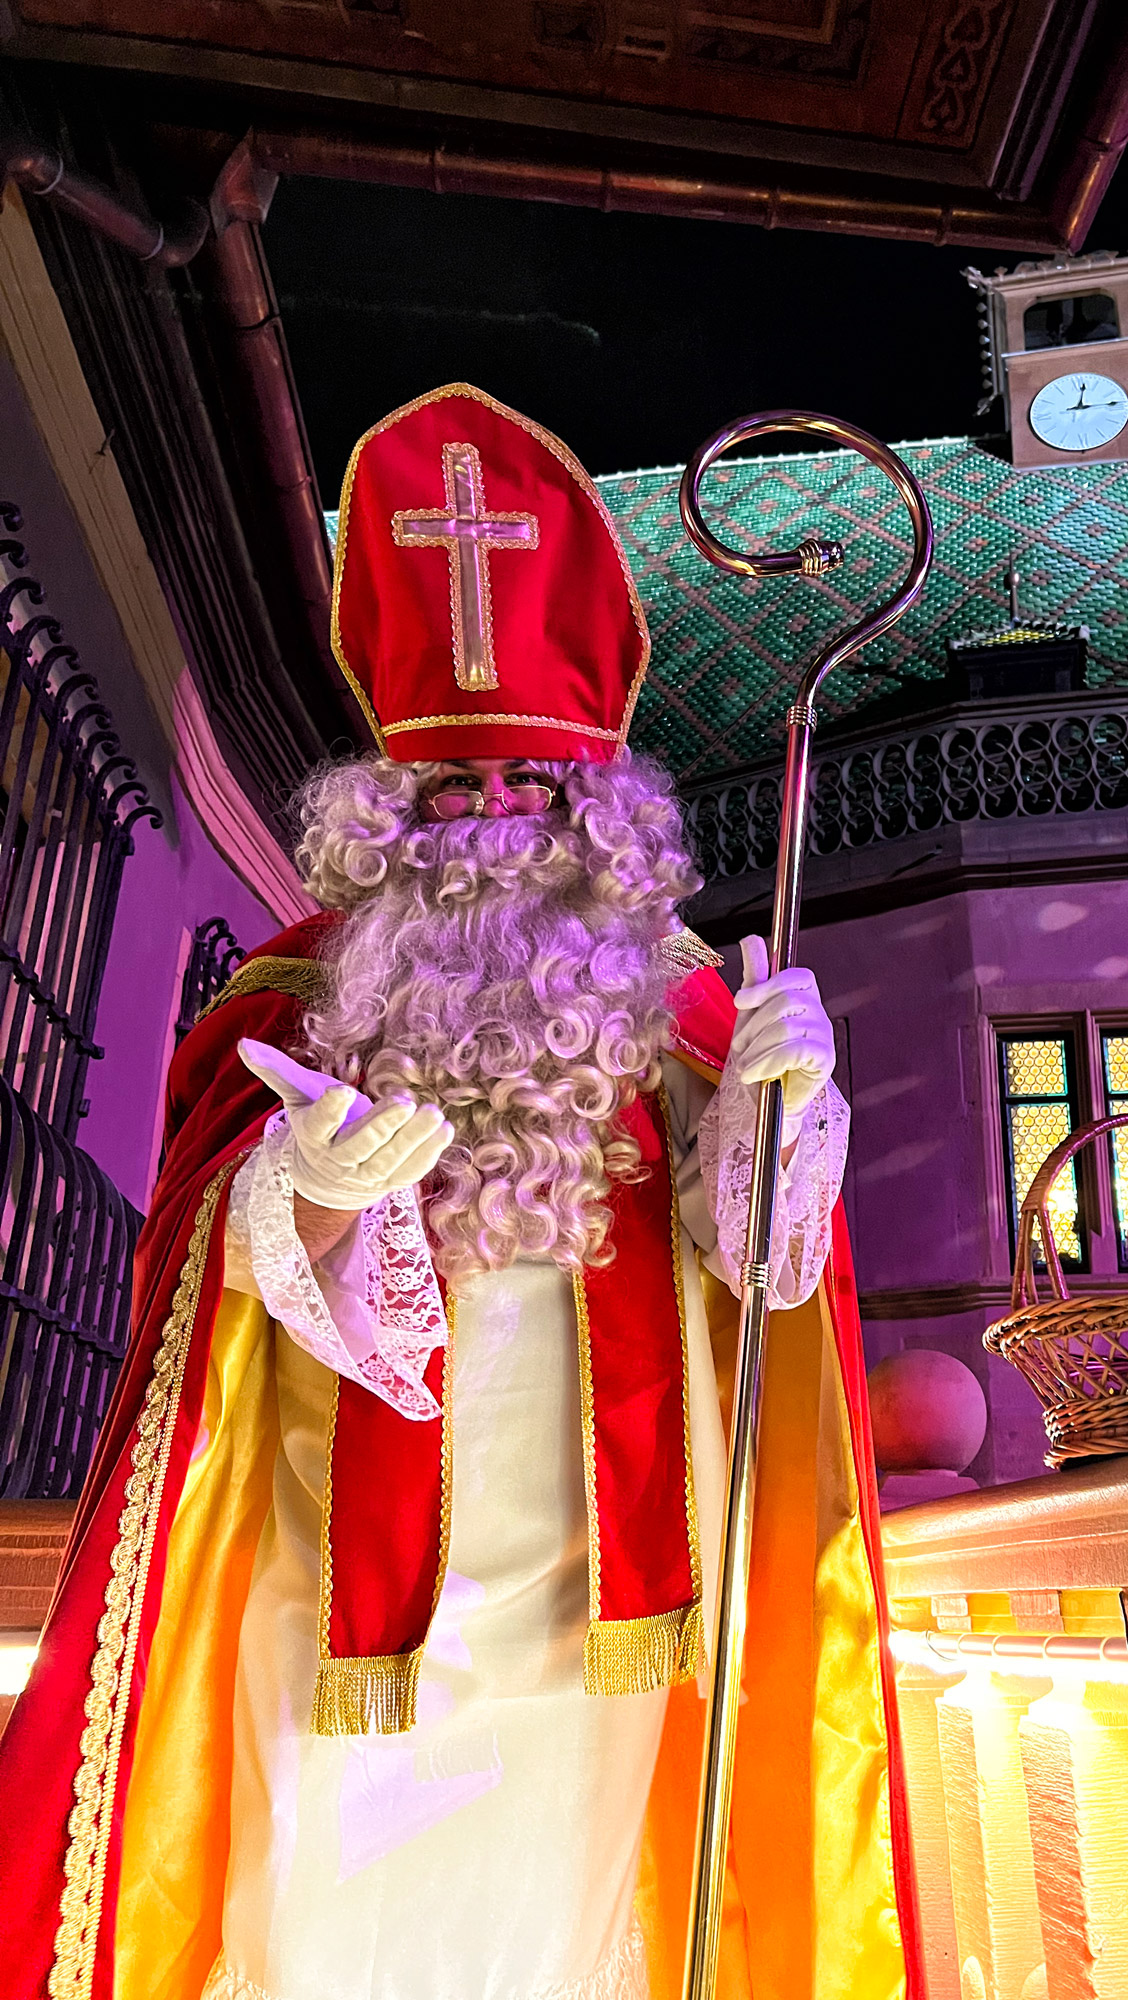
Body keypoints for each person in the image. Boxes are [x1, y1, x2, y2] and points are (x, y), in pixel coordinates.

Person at [0, 387, 918, 2000]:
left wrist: (787, 1108)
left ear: (601, 824)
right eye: (450, 791)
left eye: (532, 792)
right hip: (331, 1572)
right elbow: (201, 1291)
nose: (491, 819)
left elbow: (760, 1277)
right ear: (383, 821)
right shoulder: (288, 1009)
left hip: (601, 1591)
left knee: (556, 1930)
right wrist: (312, 1187)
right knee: (318, 1918)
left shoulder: (682, 1006)